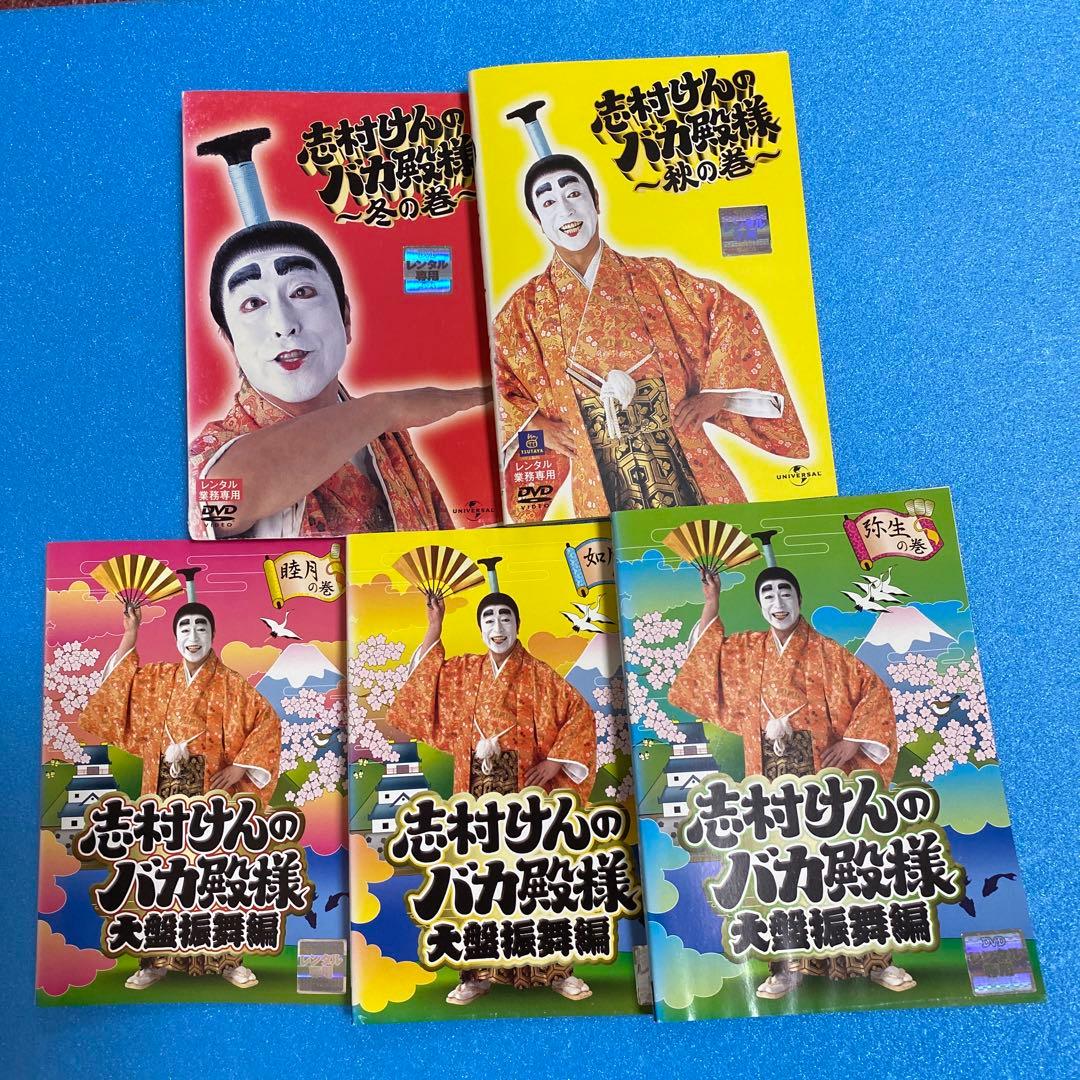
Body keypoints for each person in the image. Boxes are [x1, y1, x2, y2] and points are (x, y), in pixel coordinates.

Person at [492, 154, 809, 521]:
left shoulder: (655, 276)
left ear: (596, 200)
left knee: (720, 547)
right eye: (548, 202)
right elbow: (493, 374)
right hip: (597, 468)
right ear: (537, 220)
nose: (565, 210)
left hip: (681, 444)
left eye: (574, 194)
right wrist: (535, 426)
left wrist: (717, 393)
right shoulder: (527, 308)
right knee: (622, 555)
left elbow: (729, 312)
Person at [668, 561, 917, 998]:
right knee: (779, 871)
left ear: (800, 599)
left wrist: (853, 743)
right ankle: (785, 968)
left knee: (841, 866)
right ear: (759, 604)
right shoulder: (748, 650)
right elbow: (706, 662)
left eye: (785, 592)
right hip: (768, 780)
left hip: (823, 779)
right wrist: (712, 602)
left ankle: (874, 961)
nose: (778, 602)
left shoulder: (827, 652)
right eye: (768, 595)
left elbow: (874, 693)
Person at [189, 219, 489, 538]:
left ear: (345, 317)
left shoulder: (387, 438)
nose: (283, 325)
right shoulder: (209, 455)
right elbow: (219, 503)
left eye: (302, 291)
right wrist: (385, 408)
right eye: (253, 303)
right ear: (231, 343)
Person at [386, 585, 597, 1005]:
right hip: (476, 792)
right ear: (480, 628)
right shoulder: (465, 671)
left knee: (536, 879)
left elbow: (579, 714)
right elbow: (425, 684)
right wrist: (434, 626)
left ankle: (556, 971)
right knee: (477, 881)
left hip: (527, 795)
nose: (497, 627)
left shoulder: (539, 674)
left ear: (518, 624)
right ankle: (476, 975)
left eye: (505, 618)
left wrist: (554, 762)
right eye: (489, 619)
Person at [79, 600, 281, 991]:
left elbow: (266, 722)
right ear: (174, 637)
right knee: (162, 872)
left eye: (201, 627)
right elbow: (119, 686)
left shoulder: (231, 683)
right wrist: (131, 634)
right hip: (163, 790)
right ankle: (155, 961)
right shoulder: (158, 679)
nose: (193, 636)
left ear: (213, 634)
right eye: (185, 628)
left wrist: (241, 766)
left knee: (217, 874)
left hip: (212, 793)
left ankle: (228, 960)